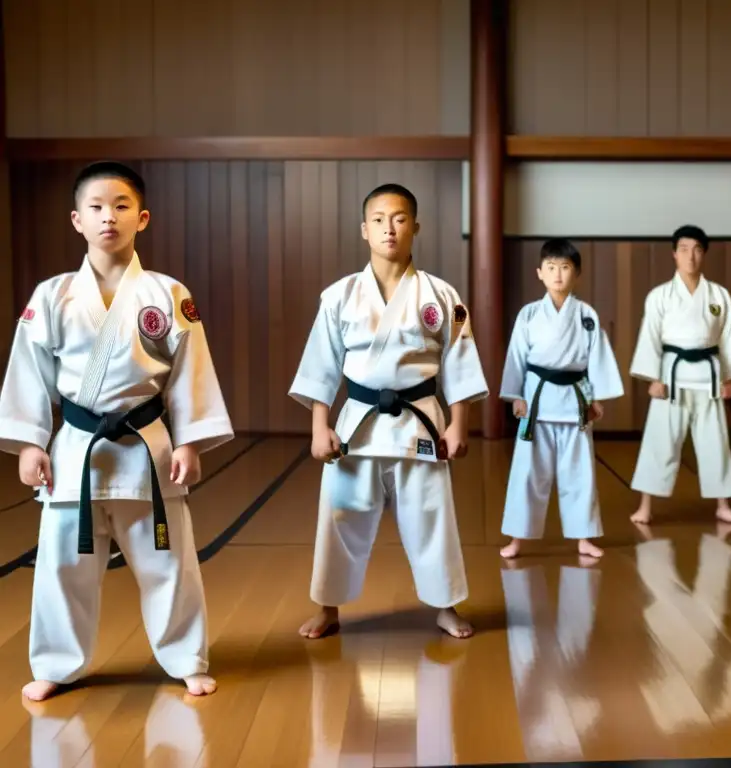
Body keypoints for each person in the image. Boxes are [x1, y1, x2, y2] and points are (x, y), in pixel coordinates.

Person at [0, 161, 233, 701]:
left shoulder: (168, 294)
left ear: (142, 218)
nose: (109, 217)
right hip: (76, 449)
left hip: (146, 447)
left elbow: (190, 371)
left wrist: (191, 440)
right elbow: (28, 372)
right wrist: (32, 441)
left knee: (169, 563)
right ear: (77, 220)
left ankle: (185, 657)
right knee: (63, 566)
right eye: (97, 207)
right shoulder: (52, 295)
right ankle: (57, 663)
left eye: (122, 206)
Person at [288, 183, 487, 641]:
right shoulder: (339, 296)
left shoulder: (441, 295)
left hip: (420, 420)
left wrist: (459, 424)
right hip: (357, 424)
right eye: (378, 220)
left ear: (415, 226)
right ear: (364, 230)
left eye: (398, 219)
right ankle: (328, 607)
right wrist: (319, 427)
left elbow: (459, 364)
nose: (389, 229)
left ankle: (446, 605)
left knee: (432, 517)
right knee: (340, 517)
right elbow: (321, 365)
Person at [498, 239, 624, 560]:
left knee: (580, 472)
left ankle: (583, 537)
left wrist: (596, 398)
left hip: (574, 401)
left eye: (565, 268)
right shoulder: (528, 315)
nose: (558, 275)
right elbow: (516, 358)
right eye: (551, 268)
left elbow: (597, 357)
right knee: (527, 473)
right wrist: (515, 395)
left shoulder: (586, 315)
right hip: (537, 401)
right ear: (539, 273)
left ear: (576, 274)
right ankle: (517, 538)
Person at [628, 225, 731, 526]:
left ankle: (723, 504)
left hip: (708, 378)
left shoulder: (718, 294)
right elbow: (650, 337)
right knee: (660, 441)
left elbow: (729, 338)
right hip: (671, 376)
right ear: (674, 254)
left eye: (697, 249)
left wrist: (730, 379)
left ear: (704, 253)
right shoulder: (660, 296)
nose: (690, 256)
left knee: (715, 442)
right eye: (684, 249)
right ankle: (645, 506)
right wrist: (652, 378)